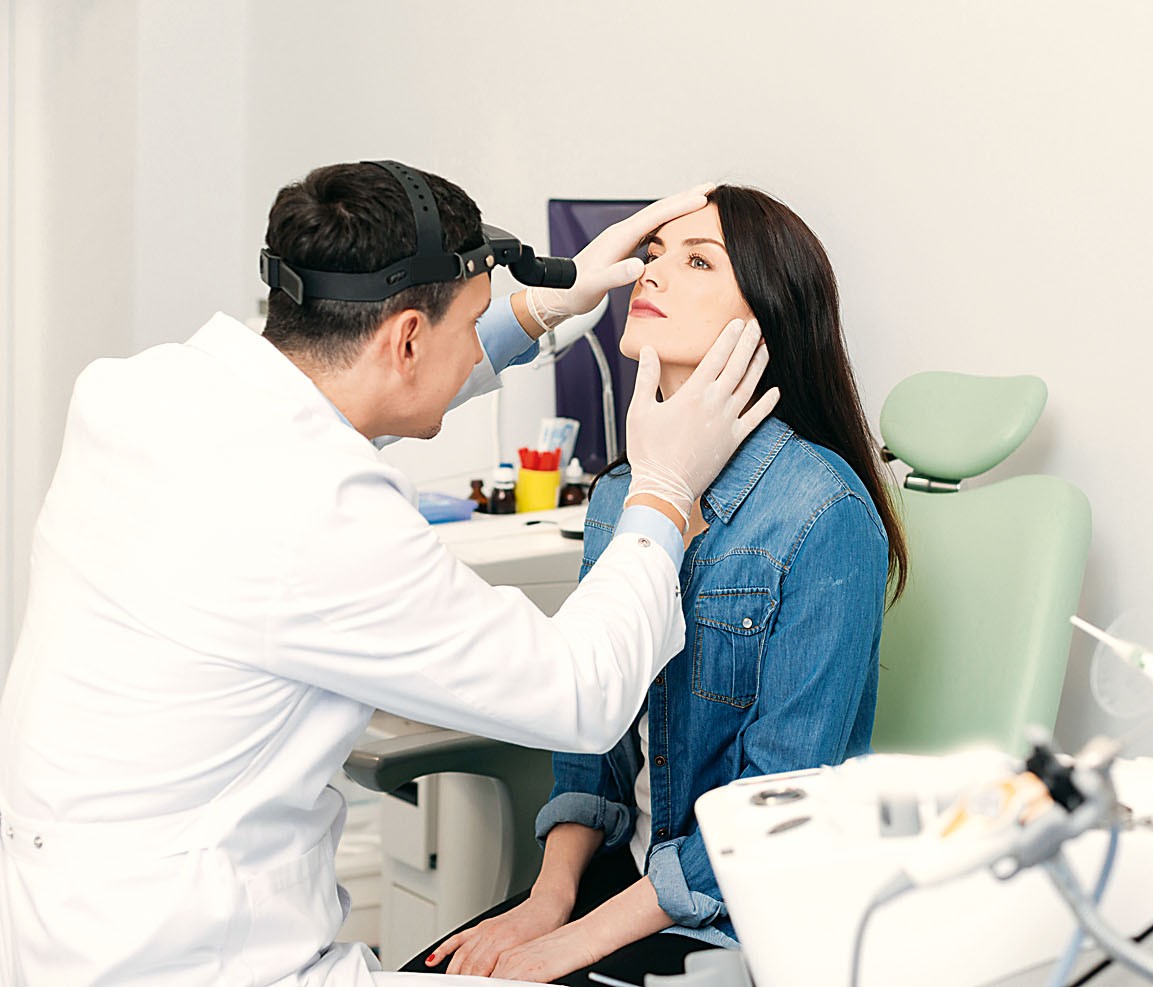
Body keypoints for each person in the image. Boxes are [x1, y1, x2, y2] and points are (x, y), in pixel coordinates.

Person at [0, 163, 779, 987]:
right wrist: (663, 489)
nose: (656, 275)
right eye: (472, 323)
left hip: (64, 933)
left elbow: (346, 398)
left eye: (698, 261)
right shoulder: (321, 511)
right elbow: (580, 696)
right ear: (407, 338)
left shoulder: (137, 391)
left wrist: (538, 309)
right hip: (196, 963)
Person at [408, 185, 908, 984]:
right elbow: (590, 741)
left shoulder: (822, 513)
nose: (651, 273)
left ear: (767, 316)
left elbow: (776, 807)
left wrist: (574, 942)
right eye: (653, 253)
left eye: (698, 261)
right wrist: (547, 900)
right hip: (624, 879)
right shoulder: (624, 493)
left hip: (743, 914)